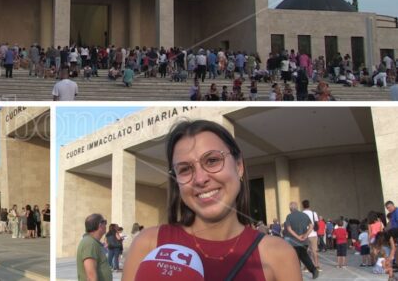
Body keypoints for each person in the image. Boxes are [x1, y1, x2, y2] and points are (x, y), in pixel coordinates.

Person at [122, 120, 300, 281]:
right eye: (185, 169)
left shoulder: (279, 254)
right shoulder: (148, 244)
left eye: (212, 160)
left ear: (239, 167)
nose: (200, 179)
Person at [283, 201, 319, 278]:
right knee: (304, 256)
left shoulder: (289, 216)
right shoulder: (304, 215)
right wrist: (305, 235)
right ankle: (313, 270)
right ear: (297, 207)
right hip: (304, 241)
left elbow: (289, 229)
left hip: (293, 241)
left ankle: (297, 273)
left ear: (290, 208)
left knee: (295, 258)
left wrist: (297, 237)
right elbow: (311, 226)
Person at [77, 213, 112, 281]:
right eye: (105, 222)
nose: (106, 225)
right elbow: (91, 277)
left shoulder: (92, 242)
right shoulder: (90, 244)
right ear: (100, 225)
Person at [301, 199, 320, 271]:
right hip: (313, 234)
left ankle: (306, 266)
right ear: (309, 205)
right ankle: (317, 265)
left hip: (305, 234)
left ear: (303, 205)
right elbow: (316, 223)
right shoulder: (313, 213)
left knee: (306, 251)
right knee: (314, 250)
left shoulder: (301, 214)